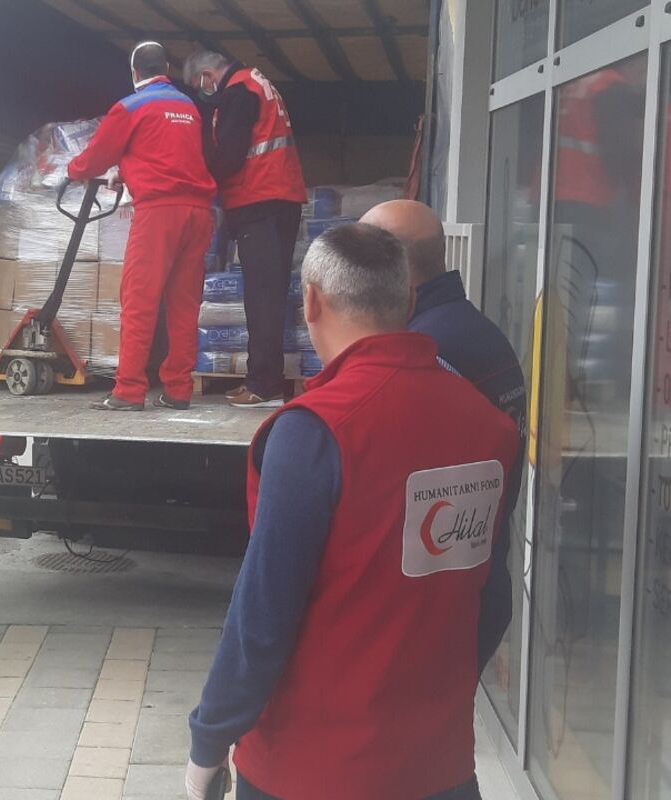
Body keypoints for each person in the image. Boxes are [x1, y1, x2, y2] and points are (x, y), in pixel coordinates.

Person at [185, 224, 520, 800]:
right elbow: (493, 598)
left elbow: (261, 616)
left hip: (310, 771)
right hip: (438, 769)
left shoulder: (314, 431)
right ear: (409, 302)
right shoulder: (491, 427)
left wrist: (208, 744)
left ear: (311, 302)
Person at [361, 199, 527, 670]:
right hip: (475, 586)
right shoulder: (475, 331)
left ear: (387, 265)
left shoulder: (427, 353)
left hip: (436, 609)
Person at [67, 41, 217, 411]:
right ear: (166, 69)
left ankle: (129, 390)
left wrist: (72, 171)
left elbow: (94, 159)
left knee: (139, 301)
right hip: (198, 213)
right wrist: (128, 169)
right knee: (184, 305)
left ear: (135, 73)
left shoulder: (130, 107)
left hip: (159, 213)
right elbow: (169, 153)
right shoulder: (188, 107)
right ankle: (178, 390)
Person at [183, 51, 307, 409]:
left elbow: (229, 157)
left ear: (208, 75)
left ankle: (264, 386)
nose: (203, 92)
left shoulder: (238, 93)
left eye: (199, 85)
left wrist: (196, 170)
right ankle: (263, 379)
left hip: (260, 201)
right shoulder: (256, 82)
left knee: (262, 297)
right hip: (279, 198)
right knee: (270, 294)